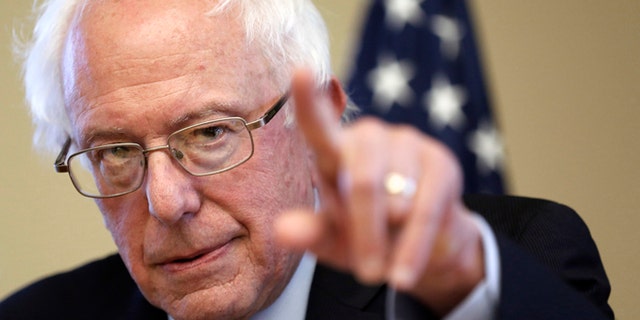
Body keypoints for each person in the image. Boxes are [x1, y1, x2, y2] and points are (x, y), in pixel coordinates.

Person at [0, 0, 613, 319]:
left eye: (210, 132)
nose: (165, 201)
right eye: (116, 153)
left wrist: (464, 293)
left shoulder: (512, 262)